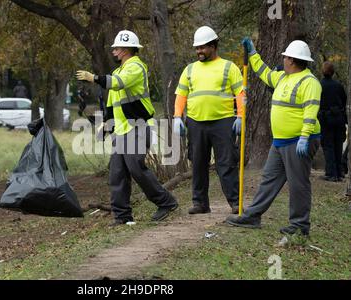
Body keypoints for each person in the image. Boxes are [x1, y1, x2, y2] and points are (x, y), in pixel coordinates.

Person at [76, 30, 178, 226]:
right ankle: (122, 216)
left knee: (136, 169)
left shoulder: (136, 68)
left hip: (138, 127)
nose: (114, 51)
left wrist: (94, 78)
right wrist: (107, 124)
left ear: (126, 49)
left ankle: (166, 202)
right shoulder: (118, 71)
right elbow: (113, 103)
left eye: (117, 48)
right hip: (122, 130)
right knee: (117, 173)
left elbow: (117, 85)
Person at [226, 38, 322, 236]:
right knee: (269, 179)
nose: (283, 59)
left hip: (298, 141)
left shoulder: (309, 82)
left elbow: (310, 111)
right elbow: (264, 73)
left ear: (292, 60)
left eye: (285, 56)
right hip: (280, 141)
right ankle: (253, 216)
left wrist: (304, 137)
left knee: (298, 183)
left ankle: (299, 225)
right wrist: (252, 53)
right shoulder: (282, 78)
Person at [173, 26, 245, 215]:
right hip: (196, 123)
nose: (199, 51)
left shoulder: (229, 67)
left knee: (226, 163)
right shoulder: (189, 70)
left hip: (223, 121)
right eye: (197, 48)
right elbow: (181, 95)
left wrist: (240, 116)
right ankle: (200, 203)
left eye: (203, 47)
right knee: (198, 164)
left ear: (213, 46)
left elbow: (240, 93)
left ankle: (235, 202)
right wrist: (177, 117)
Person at [318, 61, 347, 182]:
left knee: (328, 145)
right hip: (339, 118)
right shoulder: (338, 85)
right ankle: (340, 173)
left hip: (326, 118)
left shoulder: (319, 85)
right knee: (338, 144)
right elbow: (344, 100)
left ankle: (331, 173)